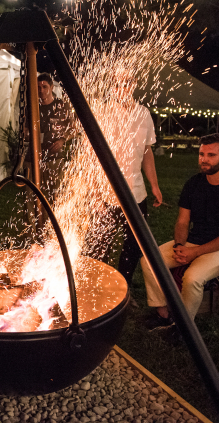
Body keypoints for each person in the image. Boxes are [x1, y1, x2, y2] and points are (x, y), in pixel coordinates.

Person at [141, 133, 219, 328]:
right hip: (194, 242)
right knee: (148, 261)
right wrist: (180, 246)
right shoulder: (194, 183)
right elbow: (182, 222)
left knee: (192, 278)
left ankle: (184, 328)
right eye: (201, 154)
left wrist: (194, 253)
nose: (204, 160)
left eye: (211, 155)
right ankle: (163, 314)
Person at [85, 72, 163, 288]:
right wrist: (94, 194)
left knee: (135, 243)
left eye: (128, 82)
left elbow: (147, 151)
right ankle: (97, 288)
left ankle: (123, 286)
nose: (123, 86)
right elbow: (91, 154)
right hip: (106, 191)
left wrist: (154, 185)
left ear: (135, 83)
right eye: (118, 82)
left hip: (136, 191)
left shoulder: (144, 113)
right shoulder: (103, 112)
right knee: (102, 243)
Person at [36, 73, 74, 200]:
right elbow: (25, 129)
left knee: (55, 194)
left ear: (51, 87)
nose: (41, 90)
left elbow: (73, 129)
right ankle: (34, 219)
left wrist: (62, 140)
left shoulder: (62, 106)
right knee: (34, 195)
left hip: (54, 157)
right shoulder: (34, 107)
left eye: (44, 87)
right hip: (36, 157)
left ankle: (53, 218)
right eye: (38, 87)